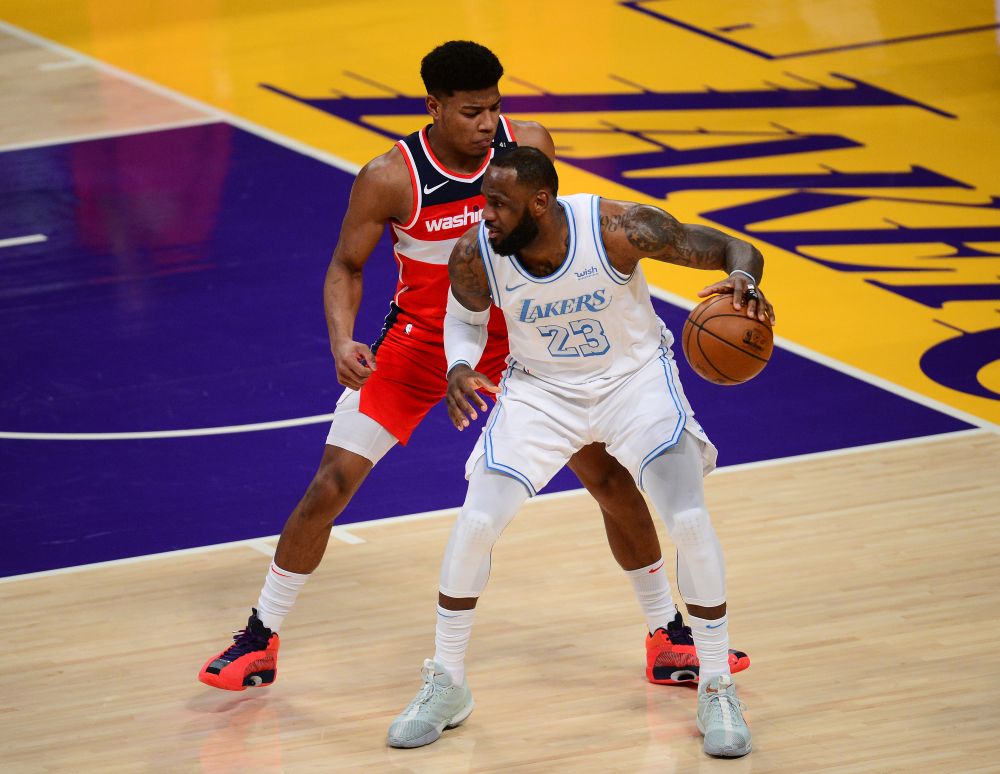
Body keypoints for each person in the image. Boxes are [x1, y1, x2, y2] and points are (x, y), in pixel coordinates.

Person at [198, 41, 747, 694]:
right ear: (434, 107)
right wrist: (342, 341)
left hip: (519, 346)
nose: (488, 124)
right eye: (470, 112)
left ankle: (667, 635)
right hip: (418, 348)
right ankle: (260, 636)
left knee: (609, 479)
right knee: (330, 485)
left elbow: (553, 239)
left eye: (494, 108)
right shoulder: (390, 177)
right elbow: (346, 267)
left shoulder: (527, 146)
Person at [387, 147, 774, 758]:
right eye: (485, 200)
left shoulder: (618, 230)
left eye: (499, 204)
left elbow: (733, 248)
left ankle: (718, 684)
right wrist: (460, 364)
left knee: (690, 521)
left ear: (541, 203)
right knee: (476, 522)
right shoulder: (475, 252)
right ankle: (446, 682)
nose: (484, 214)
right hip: (542, 392)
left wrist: (745, 282)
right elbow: (462, 320)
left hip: (634, 382)